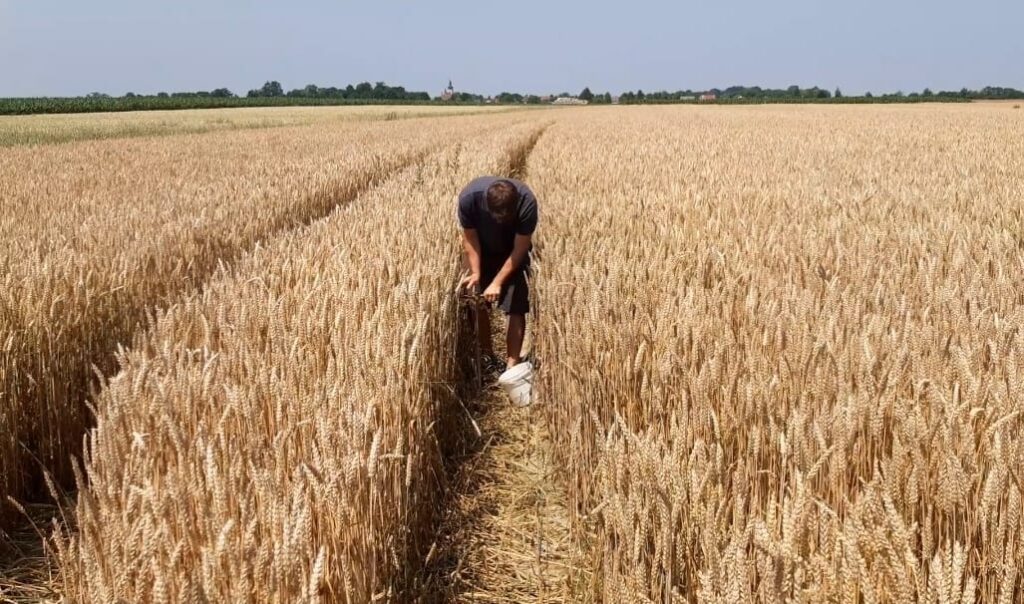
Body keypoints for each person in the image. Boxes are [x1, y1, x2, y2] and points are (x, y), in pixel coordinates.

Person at [456, 176, 538, 371]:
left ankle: (512, 364)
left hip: (511, 250)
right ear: (487, 206)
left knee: (517, 304)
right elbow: (470, 239)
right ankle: (487, 356)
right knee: (475, 300)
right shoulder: (469, 199)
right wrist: (476, 272)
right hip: (480, 250)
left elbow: (520, 248)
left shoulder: (527, 203)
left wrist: (498, 282)